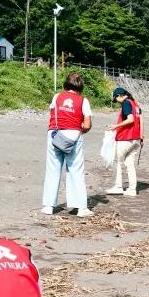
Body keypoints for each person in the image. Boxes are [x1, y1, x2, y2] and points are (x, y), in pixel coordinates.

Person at [42, 72, 93, 217]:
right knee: (75, 170)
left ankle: (48, 206)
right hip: (73, 135)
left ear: (66, 83)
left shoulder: (57, 96)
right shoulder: (83, 101)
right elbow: (88, 124)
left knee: (53, 170)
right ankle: (81, 207)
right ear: (80, 85)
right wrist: (80, 131)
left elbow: (53, 113)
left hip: (55, 133)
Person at [106, 88, 144, 196]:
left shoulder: (126, 103)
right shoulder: (136, 104)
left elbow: (130, 119)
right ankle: (132, 189)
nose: (117, 101)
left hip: (126, 138)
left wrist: (115, 126)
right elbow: (141, 121)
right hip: (136, 138)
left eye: (116, 98)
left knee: (117, 161)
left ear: (119, 95)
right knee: (130, 164)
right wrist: (141, 137)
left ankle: (118, 186)